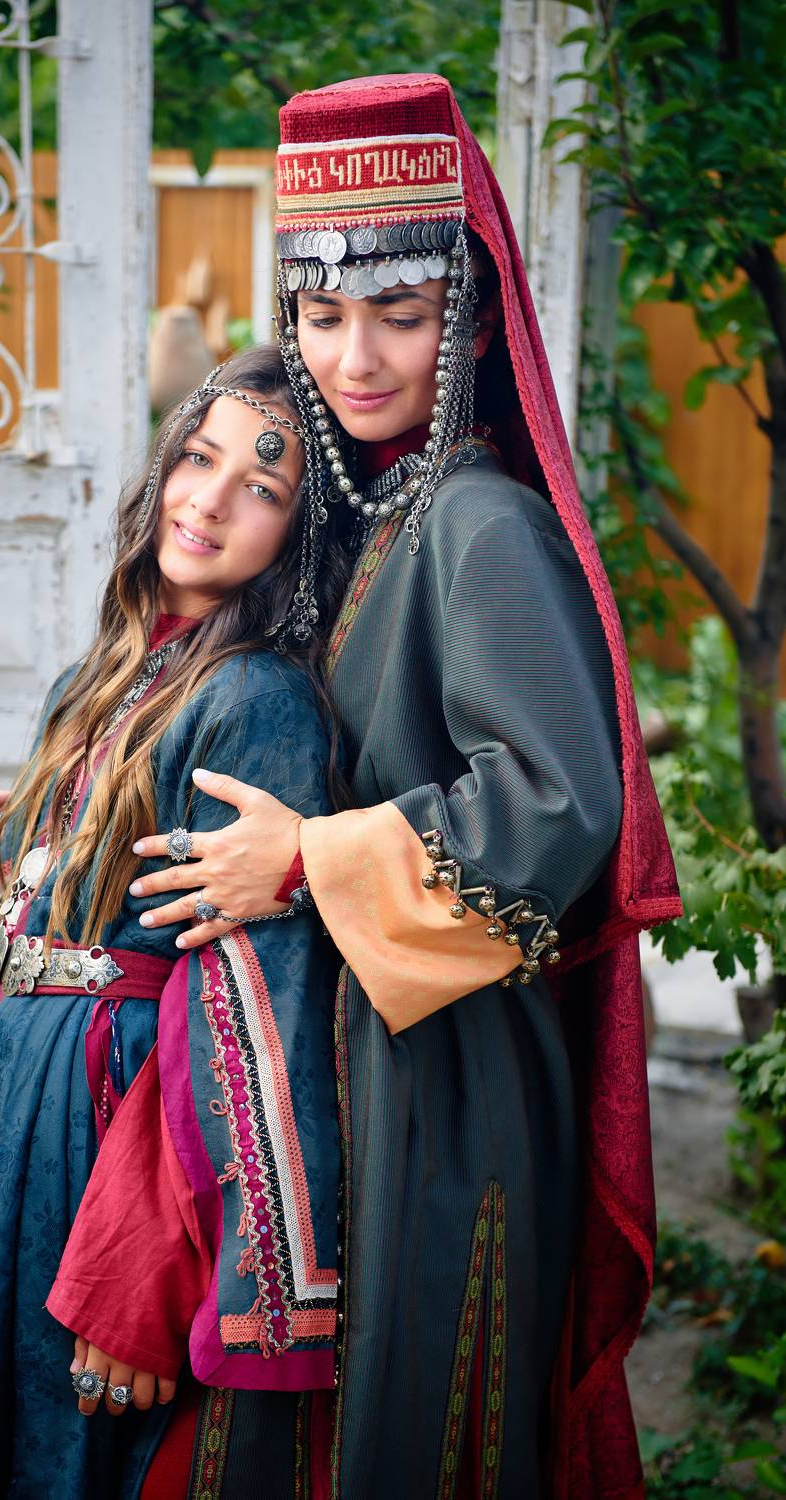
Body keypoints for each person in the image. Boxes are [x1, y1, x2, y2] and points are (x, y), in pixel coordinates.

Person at [119, 74, 683, 1498]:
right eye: (320, 316)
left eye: (399, 313)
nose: (353, 357)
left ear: (469, 318)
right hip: (348, 1055)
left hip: (445, 1082)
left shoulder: (480, 525)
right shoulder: (366, 510)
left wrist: (308, 860)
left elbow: (557, 805)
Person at [0, 345, 349, 1500]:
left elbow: (234, 1009)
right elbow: (4, 937)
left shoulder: (255, 702)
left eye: (260, 486)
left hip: (98, 1136)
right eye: (196, 458)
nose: (209, 499)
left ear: (297, 536)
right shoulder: (90, 681)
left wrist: (138, 1270)